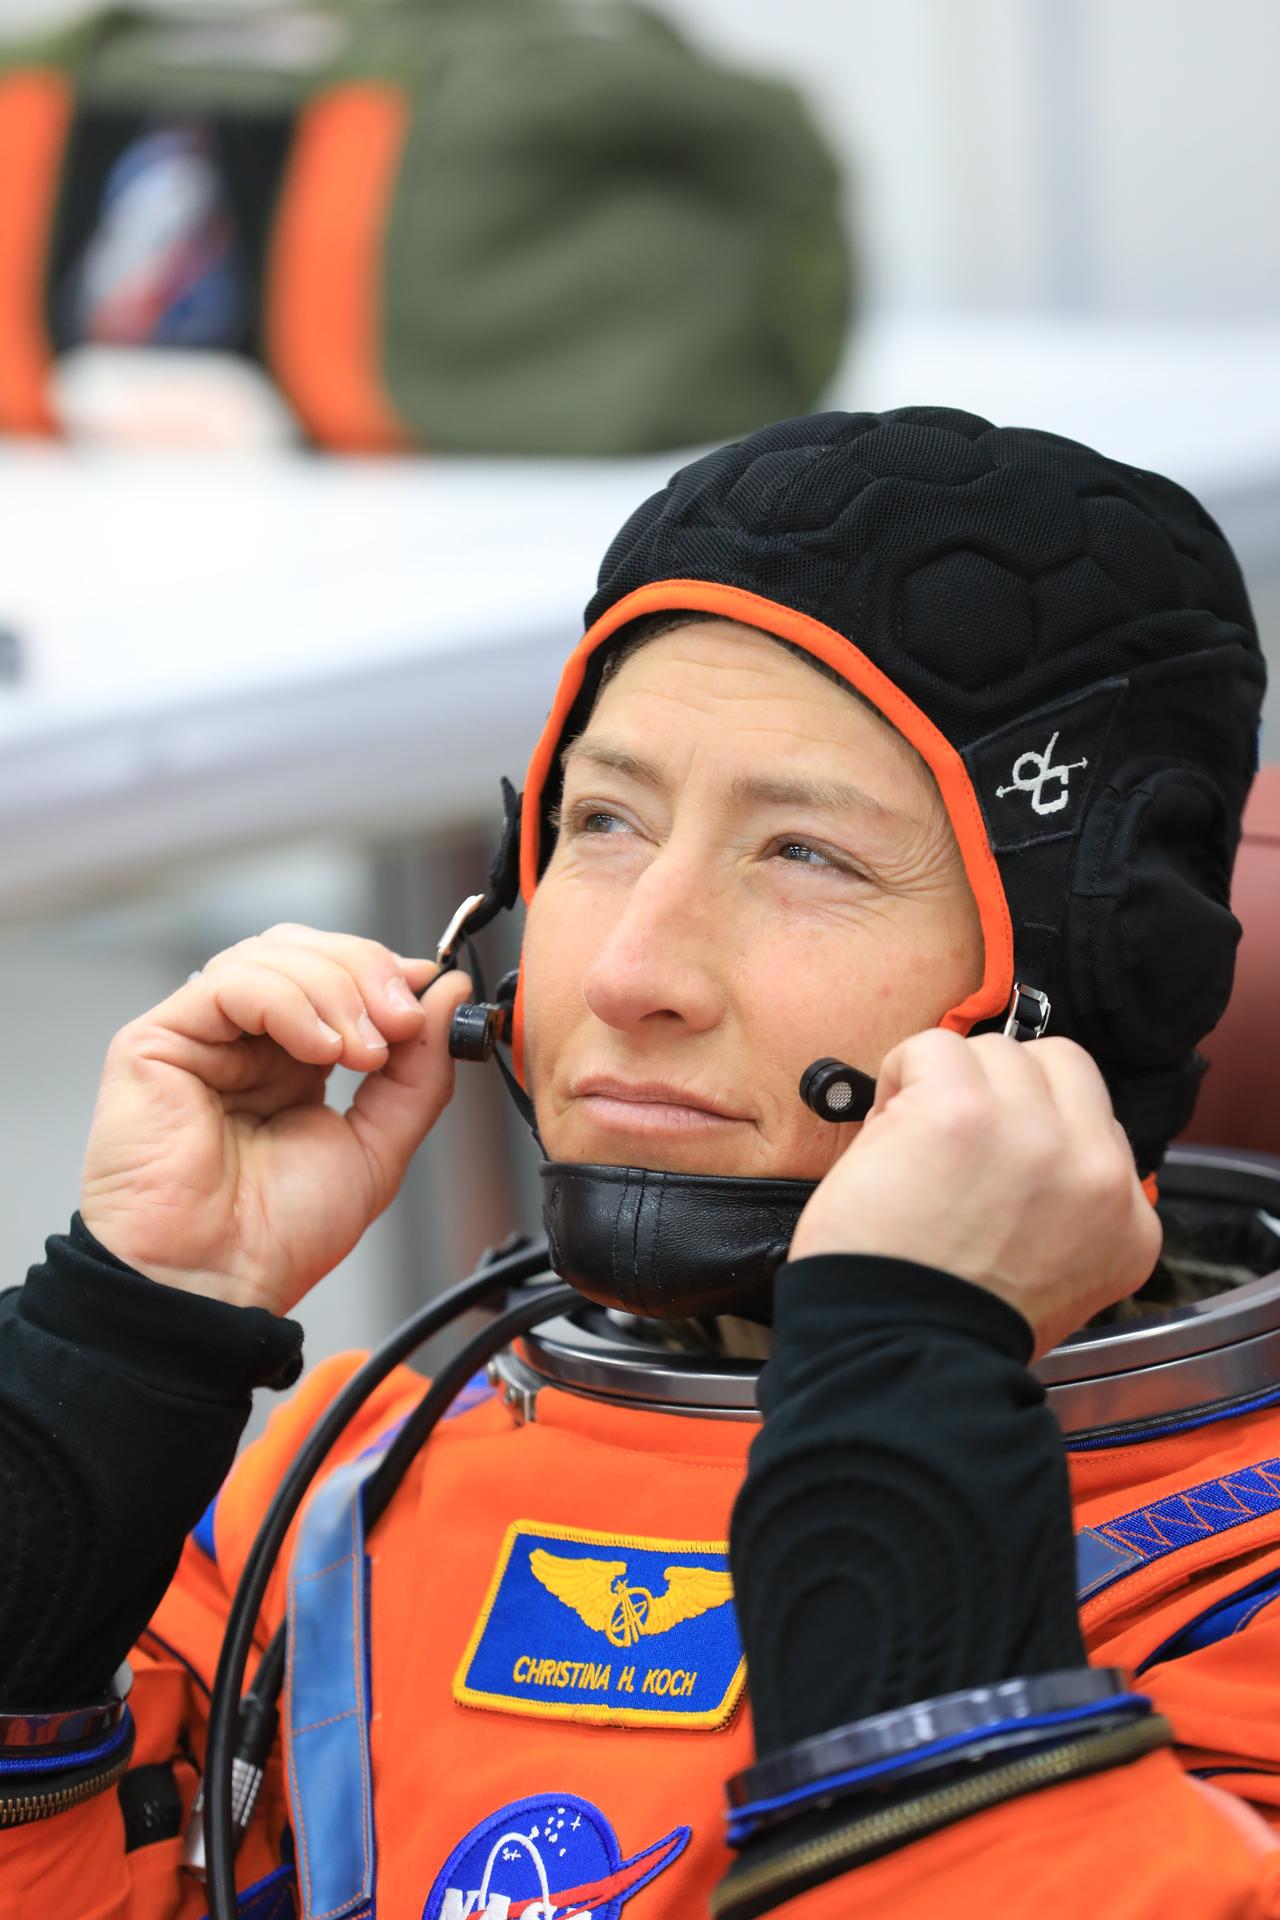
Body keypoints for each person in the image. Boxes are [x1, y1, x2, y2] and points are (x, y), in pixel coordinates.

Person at [4, 406, 1279, 1919]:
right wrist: (123, 1342)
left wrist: (905, 1371)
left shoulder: (1234, 1570)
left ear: (1091, 959)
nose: (629, 971)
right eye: (603, 821)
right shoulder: (343, 1490)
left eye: (808, 853)